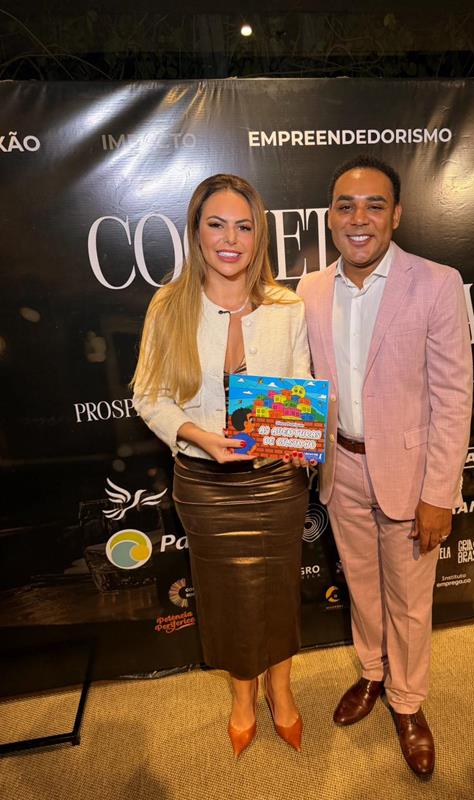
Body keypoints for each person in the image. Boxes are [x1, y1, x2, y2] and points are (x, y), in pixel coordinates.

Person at [297, 155, 472, 778]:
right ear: (330, 217)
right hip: (339, 468)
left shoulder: (437, 283)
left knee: (411, 600)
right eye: (345, 206)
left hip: (412, 475)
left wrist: (439, 493)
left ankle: (407, 702)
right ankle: (372, 672)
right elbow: (302, 384)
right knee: (362, 587)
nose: (359, 218)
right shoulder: (310, 289)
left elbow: (453, 396)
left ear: (396, 215)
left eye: (374, 205)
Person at [132, 174, 310, 757]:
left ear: (259, 236)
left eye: (243, 226)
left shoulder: (287, 307)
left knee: (279, 588)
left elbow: (302, 388)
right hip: (204, 485)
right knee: (227, 595)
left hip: (277, 482)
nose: (230, 239)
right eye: (216, 224)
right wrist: (200, 437)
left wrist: (296, 433)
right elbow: (149, 396)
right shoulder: (169, 305)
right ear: (196, 231)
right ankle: (242, 696)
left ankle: (281, 690)